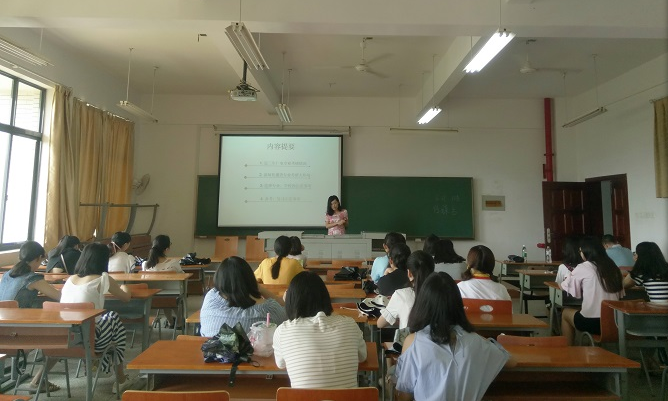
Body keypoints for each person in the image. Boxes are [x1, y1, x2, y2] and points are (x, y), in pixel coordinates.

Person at [394, 272, 514, 401]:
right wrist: (483, 340)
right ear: (457, 303)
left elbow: (404, 396)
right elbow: (512, 362)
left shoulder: (414, 342)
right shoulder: (477, 342)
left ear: (422, 305)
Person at [60, 243, 133, 394]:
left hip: (65, 338)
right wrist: (125, 287)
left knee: (104, 323)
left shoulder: (70, 279)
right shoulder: (103, 279)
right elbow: (125, 298)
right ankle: (120, 378)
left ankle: (37, 380)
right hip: (91, 340)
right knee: (113, 318)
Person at [273, 271, 366, 388]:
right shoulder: (350, 324)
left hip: (304, 397)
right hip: (348, 397)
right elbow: (363, 357)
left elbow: (281, 364)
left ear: (291, 301)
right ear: (326, 297)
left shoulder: (283, 331)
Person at [0, 241, 62, 393]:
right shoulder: (32, 279)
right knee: (59, 341)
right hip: (18, 335)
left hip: (2, 331)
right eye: (40, 261)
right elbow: (60, 297)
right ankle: (37, 381)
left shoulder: (7, 275)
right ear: (37, 258)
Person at [200, 256, 287, 336]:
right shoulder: (268, 310)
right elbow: (286, 313)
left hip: (210, 347)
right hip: (255, 348)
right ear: (251, 278)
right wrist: (257, 287)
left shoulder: (210, 297)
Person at [561, 236, 624, 345]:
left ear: (586, 251)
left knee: (565, 313)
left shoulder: (584, 267)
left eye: (580, 251)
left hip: (593, 323)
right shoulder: (613, 267)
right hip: (616, 322)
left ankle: (569, 350)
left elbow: (565, 287)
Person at [378, 250, 435, 329]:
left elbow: (380, 324)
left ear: (409, 274)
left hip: (409, 336)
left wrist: (400, 316)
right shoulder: (442, 293)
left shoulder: (401, 295)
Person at [0, 241, 61, 308]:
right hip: (18, 314)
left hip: (3, 313)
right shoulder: (33, 278)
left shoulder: (6, 274)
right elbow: (59, 296)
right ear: (39, 257)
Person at [142, 234, 184, 327]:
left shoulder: (145, 265)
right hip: (173, 298)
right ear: (167, 249)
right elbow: (183, 276)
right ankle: (179, 323)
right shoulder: (173, 263)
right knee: (173, 295)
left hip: (151, 299)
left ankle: (170, 321)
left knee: (164, 294)